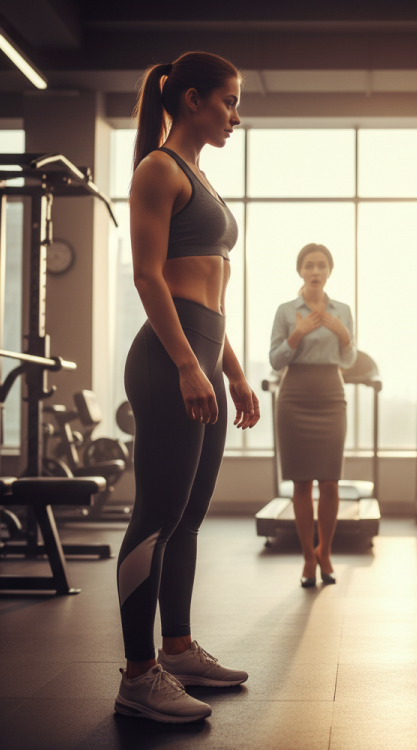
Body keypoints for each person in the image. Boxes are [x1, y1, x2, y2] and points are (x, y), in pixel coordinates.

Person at [114, 51, 260, 724]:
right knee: (155, 517)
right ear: (193, 99)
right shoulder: (159, 169)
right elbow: (150, 277)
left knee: (188, 519)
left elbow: (211, 294)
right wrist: (186, 365)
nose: (236, 116)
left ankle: (177, 649)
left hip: (201, 351)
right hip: (168, 359)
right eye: (230, 101)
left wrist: (233, 371)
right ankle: (138, 675)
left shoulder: (199, 176)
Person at [269, 244, 357, 587]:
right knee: (301, 482)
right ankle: (308, 557)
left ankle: (326, 552)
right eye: (309, 265)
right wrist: (298, 333)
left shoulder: (342, 310)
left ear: (329, 271)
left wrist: (344, 334)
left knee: (330, 481)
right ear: (300, 271)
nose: (315, 271)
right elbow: (276, 360)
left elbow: (348, 359)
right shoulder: (286, 310)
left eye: (321, 265)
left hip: (331, 395)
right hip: (294, 396)